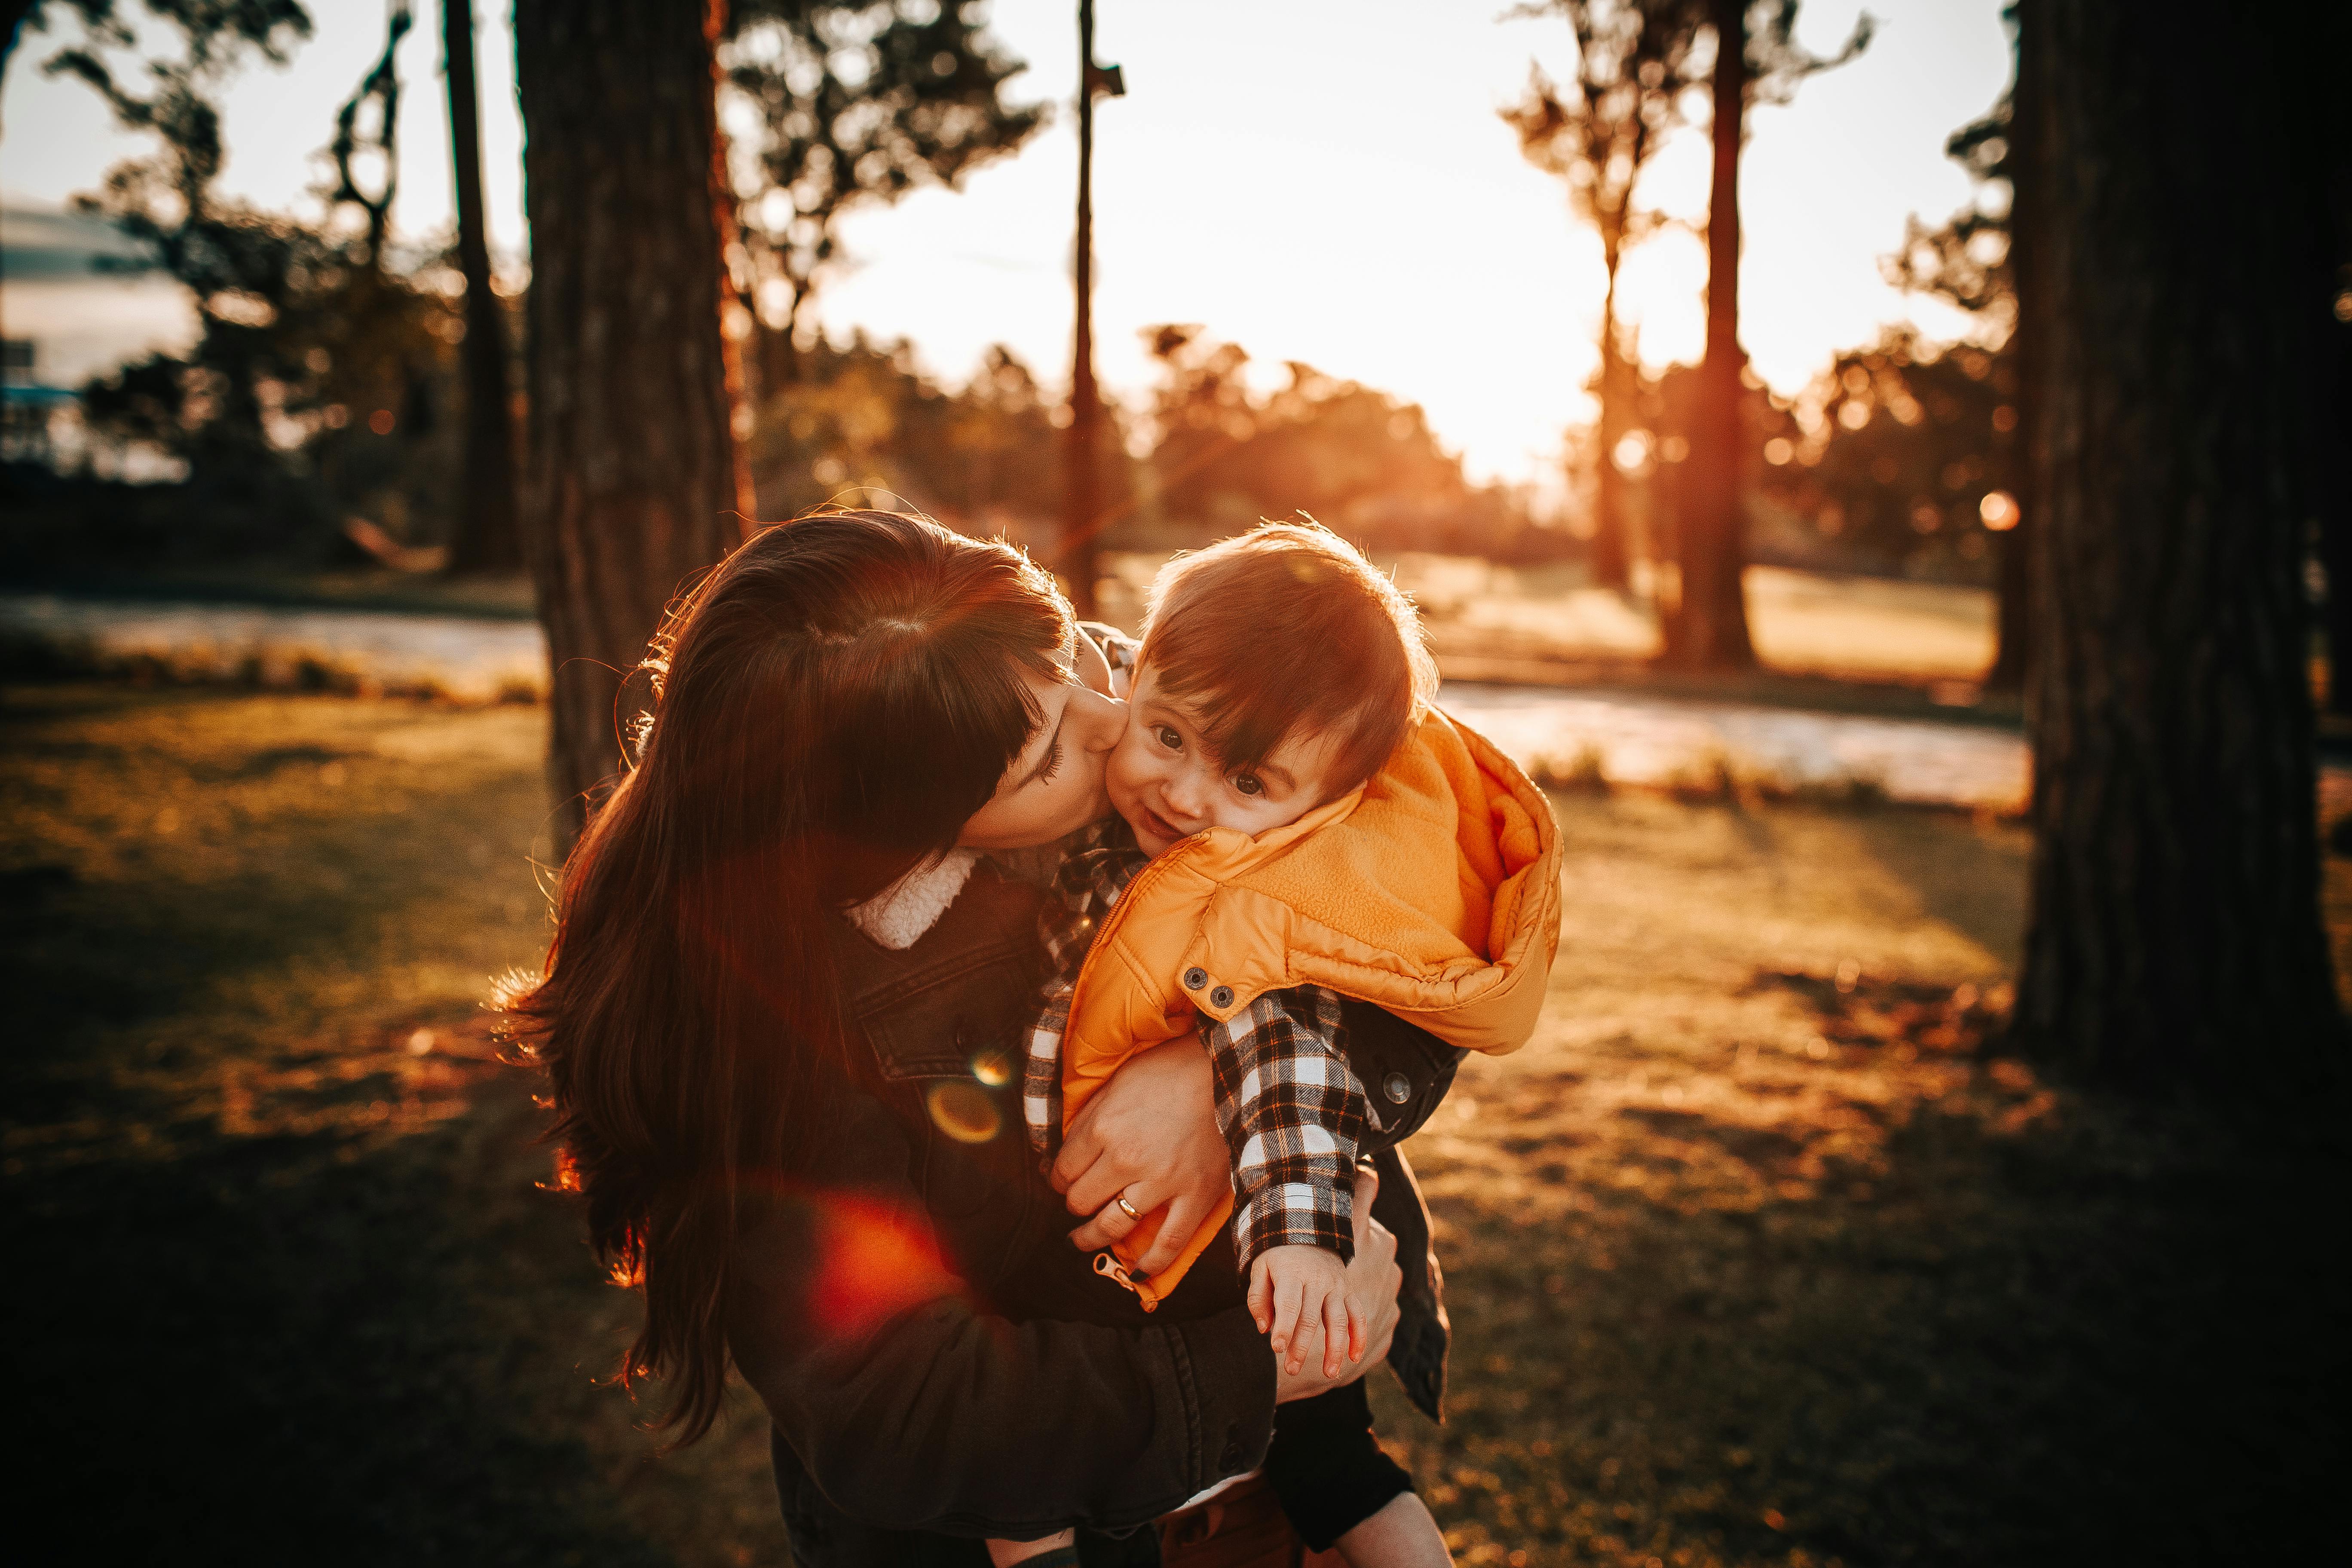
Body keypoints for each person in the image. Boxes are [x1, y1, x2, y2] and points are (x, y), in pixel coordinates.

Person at [505, 510, 1464, 1566]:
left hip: (1262, 1501)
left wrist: (1211, 1077)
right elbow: (901, 1416)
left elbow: (1421, 938)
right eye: (1050, 752)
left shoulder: (1074, 701)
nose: (1110, 722)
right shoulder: (767, 1042)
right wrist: (1262, 1369)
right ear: (907, 836)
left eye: (1075, 660)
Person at [997, 523, 1562, 1568]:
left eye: (1248, 783)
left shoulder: (1258, 902)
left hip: (1237, 1243)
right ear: (1140, 672)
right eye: (1165, 735)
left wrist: (1300, 1236)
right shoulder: (1129, 803)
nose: (1185, 794)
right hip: (1114, 1219)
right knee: (1319, 1464)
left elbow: (1288, 1061)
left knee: (1307, 1463)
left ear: (1328, 806)